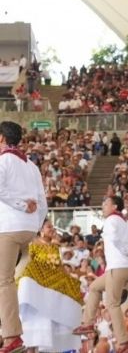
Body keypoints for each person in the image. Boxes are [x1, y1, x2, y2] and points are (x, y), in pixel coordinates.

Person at [0, 121, 47, 353]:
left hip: (8, 228)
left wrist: (20, 205)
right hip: (28, 229)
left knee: (4, 281)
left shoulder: (3, 160)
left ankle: (11, 336)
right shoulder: (31, 165)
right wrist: (34, 226)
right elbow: (43, 203)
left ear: (1, 139)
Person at [72, 196, 128, 353]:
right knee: (94, 287)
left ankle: (123, 340)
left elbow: (115, 239)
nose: (102, 205)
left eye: (105, 203)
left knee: (112, 304)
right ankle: (88, 322)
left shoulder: (112, 219)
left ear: (114, 206)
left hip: (117, 266)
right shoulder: (126, 222)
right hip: (124, 267)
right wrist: (127, 251)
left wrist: (125, 250)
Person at [17, 220, 83, 352]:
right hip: (37, 291)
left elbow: (59, 267)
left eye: (53, 227)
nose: (52, 229)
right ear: (41, 230)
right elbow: (28, 266)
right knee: (34, 330)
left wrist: (71, 280)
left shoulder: (55, 246)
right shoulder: (33, 245)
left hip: (51, 293)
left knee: (49, 330)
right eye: (49, 227)